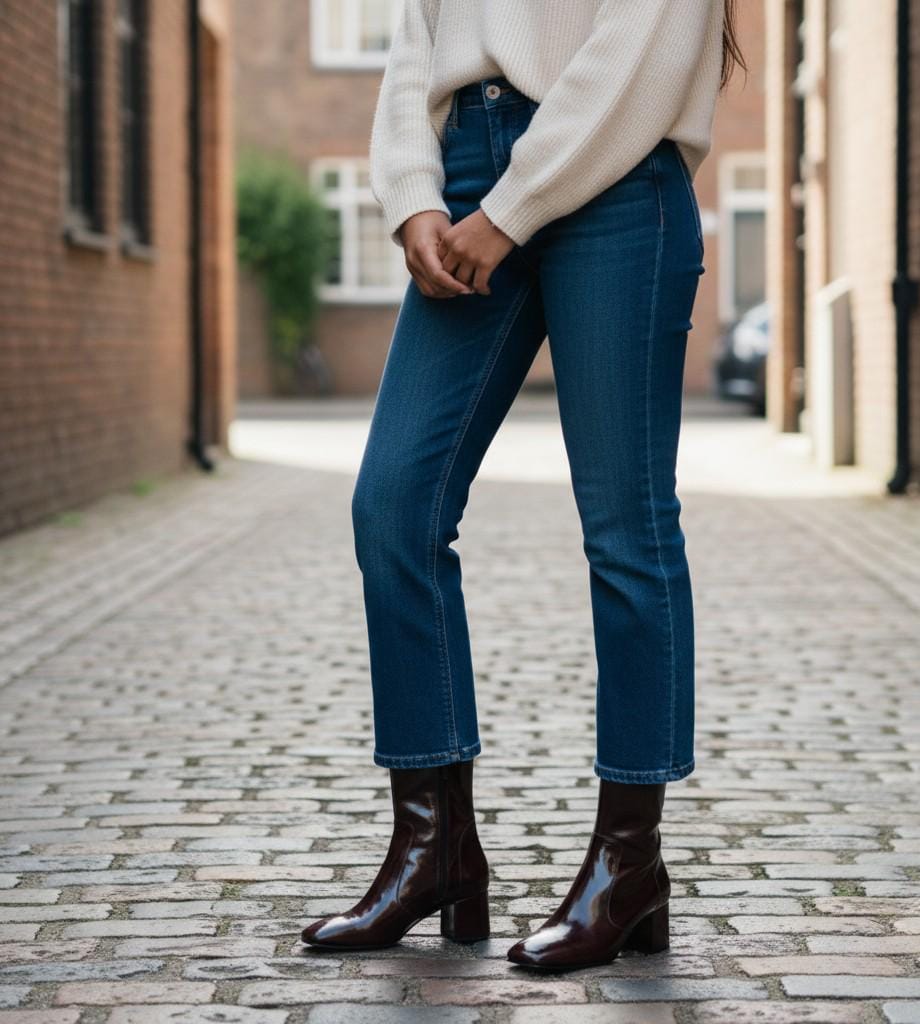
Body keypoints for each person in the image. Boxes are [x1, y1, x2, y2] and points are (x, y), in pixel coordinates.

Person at [301, 0, 744, 971]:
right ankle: (435, 851)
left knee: (626, 530)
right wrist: (415, 190)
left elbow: (647, 39)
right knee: (392, 510)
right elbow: (418, 32)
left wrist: (510, 211)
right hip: (468, 165)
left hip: (617, 176)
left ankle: (628, 864)